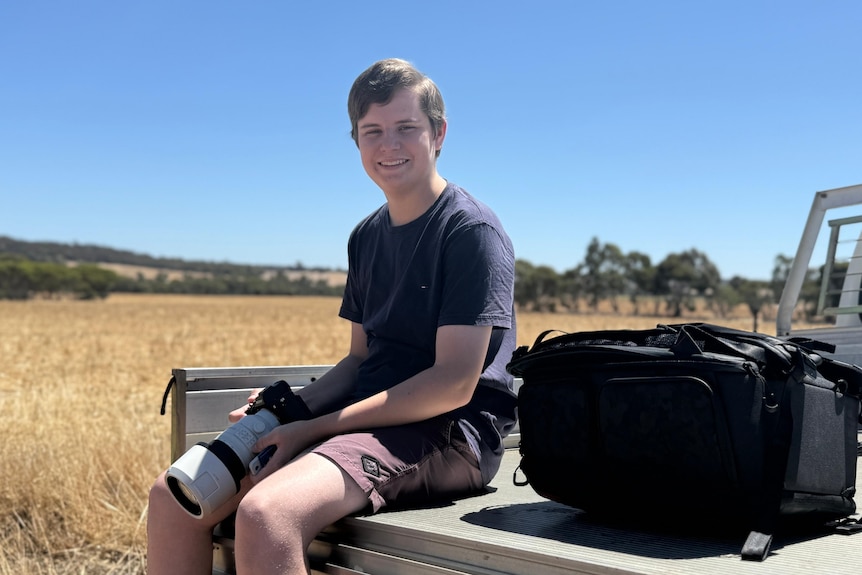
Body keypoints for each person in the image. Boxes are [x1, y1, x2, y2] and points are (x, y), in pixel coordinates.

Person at [147, 57, 517, 575]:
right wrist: (289, 410)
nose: (389, 145)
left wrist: (315, 428)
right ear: (357, 142)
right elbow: (358, 363)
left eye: (406, 128)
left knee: (266, 513)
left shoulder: (469, 232)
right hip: (373, 416)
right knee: (171, 498)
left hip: (451, 431)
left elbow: (453, 385)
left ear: (439, 134)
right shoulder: (365, 237)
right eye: (373, 131)